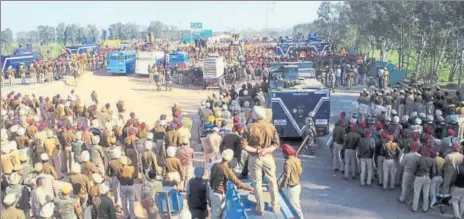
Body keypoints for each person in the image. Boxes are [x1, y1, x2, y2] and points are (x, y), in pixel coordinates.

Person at [241, 106, 280, 215]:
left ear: (254, 115)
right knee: (272, 180)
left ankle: (260, 207)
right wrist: (266, 150)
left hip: (254, 158)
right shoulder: (271, 127)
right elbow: (276, 144)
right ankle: (275, 205)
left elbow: (244, 145)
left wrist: (257, 150)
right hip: (268, 157)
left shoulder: (249, 127)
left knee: (257, 182)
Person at [209, 149, 253, 219]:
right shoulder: (226, 169)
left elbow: (211, 178)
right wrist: (249, 188)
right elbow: (237, 182)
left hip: (213, 191)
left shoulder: (215, 165)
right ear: (230, 158)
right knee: (217, 214)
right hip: (219, 194)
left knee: (216, 213)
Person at [279, 144, 304, 219]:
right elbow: (300, 171)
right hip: (297, 186)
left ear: (285, 153)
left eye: (283, 153)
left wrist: (280, 186)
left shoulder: (287, 163)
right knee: (295, 204)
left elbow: (286, 177)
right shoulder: (296, 159)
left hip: (292, 188)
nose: (282, 154)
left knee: (296, 208)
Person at [412, 147, 434, 212]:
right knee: (426, 193)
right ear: (428, 153)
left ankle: (414, 207)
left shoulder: (419, 159)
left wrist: (415, 174)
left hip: (419, 176)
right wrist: (430, 177)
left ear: (422, 152)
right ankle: (425, 208)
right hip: (427, 177)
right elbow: (433, 171)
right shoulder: (432, 160)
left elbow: (415, 168)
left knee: (416, 193)